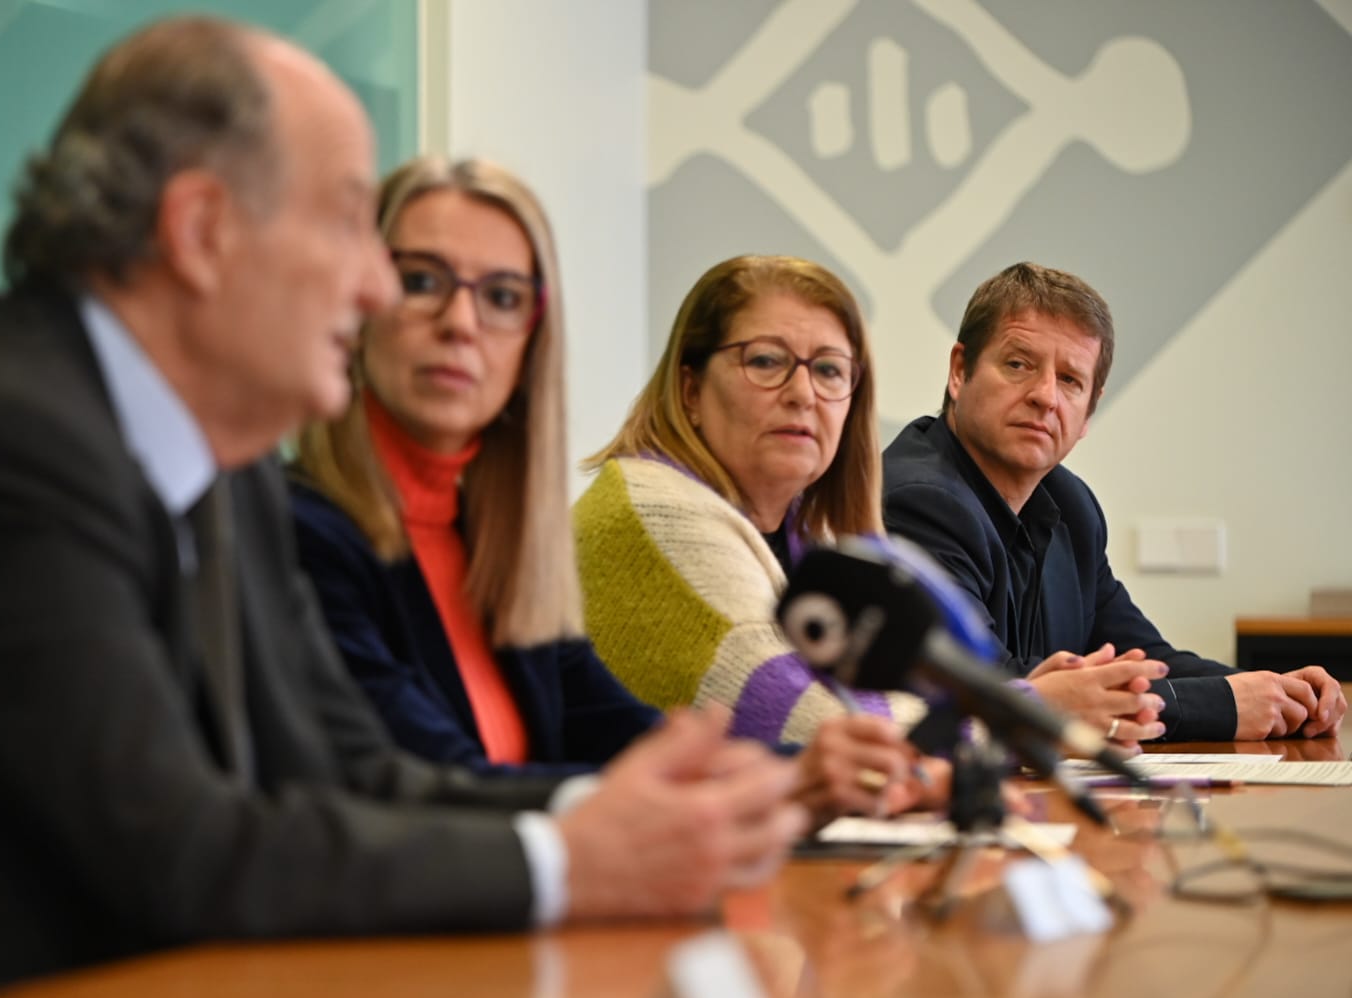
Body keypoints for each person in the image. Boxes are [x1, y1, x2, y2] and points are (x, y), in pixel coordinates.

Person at [0, 19, 809, 998]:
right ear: (202, 230)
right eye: (350, 224)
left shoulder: (222, 471)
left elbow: (345, 768)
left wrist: (633, 805)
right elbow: (184, 852)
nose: (372, 284)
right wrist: (573, 862)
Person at [291, 157, 659, 774]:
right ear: (359, 306)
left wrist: (801, 775)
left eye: (502, 297)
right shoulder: (300, 534)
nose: (461, 324)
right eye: (421, 282)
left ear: (531, 343)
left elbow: (629, 735)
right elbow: (436, 786)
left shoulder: (500, 551)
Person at [882, 261, 1346, 742]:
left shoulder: (1071, 506)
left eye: (1070, 380)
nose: (1045, 396)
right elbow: (991, 690)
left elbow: (1145, 658)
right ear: (960, 372)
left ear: (1088, 414)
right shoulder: (919, 500)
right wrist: (1227, 705)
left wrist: (1278, 693)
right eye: (1018, 364)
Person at [573, 255, 927, 745]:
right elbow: (810, 724)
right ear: (690, 389)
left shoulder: (806, 531)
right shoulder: (653, 510)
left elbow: (897, 686)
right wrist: (1020, 715)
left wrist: (1006, 702)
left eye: (828, 370)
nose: (803, 393)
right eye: (766, 360)